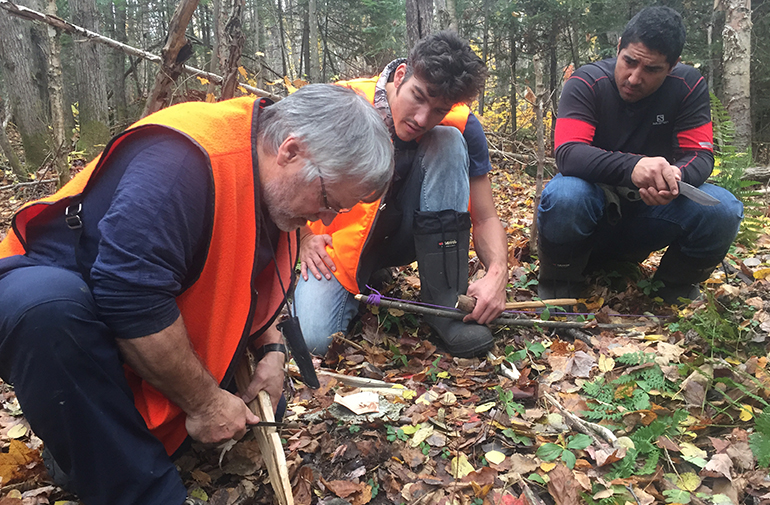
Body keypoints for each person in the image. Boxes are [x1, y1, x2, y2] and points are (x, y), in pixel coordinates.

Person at [0, 84, 393, 505]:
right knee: (46, 312)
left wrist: (271, 350)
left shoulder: (270, 181)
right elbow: (128, 296)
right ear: (291, 150)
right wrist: (205, 403)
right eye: (327, 201)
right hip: (57, 305)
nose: (324, 220)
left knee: (261, 412)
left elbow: (250, 278)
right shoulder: (182, 164)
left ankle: (110, 446)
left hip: (137, 329)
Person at [294, 31, 508, 357]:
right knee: (315, 339)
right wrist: (303, 237)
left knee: (448, 141)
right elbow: (284, 177)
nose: (422, 118)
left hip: (411, 234)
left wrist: (497, 274)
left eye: (438, 110)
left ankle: (444, 305)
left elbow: (487, 216)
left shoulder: (463, 124)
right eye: (418, 97)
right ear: (400, 75)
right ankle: (367, 273)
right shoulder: (342, 103)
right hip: (338, 246)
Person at [537, 6, 743, 304]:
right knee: (565, 194)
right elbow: (568, 153)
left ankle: (673, 292)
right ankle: (559, 285)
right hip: (591, 207)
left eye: (652, 69)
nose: (634, 78)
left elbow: (700, 155)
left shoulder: (687, 86)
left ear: (673, 66)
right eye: (629, 62)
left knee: (723, 209)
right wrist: (633, 167)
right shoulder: (586, 82)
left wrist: (675, 176)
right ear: (619, 46)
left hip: (652, 214)